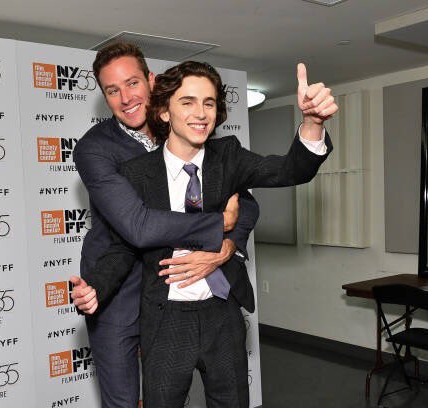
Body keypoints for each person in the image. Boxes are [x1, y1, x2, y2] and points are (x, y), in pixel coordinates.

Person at [84, 60, 336, 407]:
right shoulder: (136, 173)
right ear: (164, 111)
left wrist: (312, 122)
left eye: (209, 103)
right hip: (166, 321)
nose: (201, 113)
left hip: (222, 314)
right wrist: (96, 286)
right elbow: (123, 247)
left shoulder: (228, 157)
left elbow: (288, 170)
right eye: (187, 102)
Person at [70, 43, 260, 408]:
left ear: (151, 80)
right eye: (112, 90)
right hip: (117, 288)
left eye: (132, 83)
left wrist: (226, 247)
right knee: (124, 402)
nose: (126, 98)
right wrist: (217, 223)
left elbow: (244, 203)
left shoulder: (183, 122)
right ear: (104, 97)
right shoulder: (93, 149)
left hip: (179, 285)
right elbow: (137, 225)